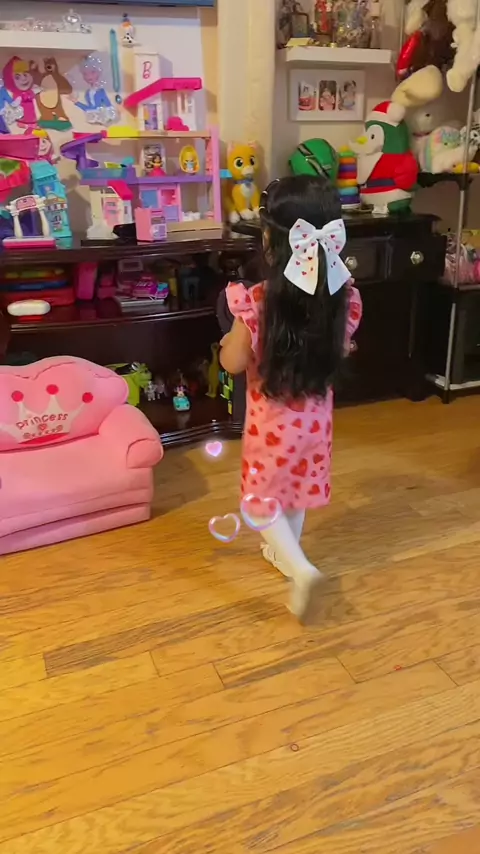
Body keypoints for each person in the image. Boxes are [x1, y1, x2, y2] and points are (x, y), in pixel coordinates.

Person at [219, 175, 362, 619]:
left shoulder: (257, 302)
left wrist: (230, 339)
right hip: (316, 421)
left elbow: (233, 362)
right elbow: (342, 348)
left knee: (258, 501)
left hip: (272, 426)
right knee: (295, 491)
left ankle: (302, 570)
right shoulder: (342, 296)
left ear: (270, 240)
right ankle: (286, 553)